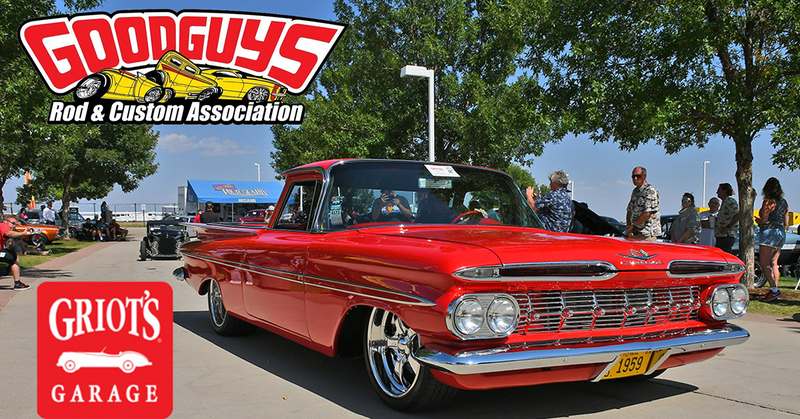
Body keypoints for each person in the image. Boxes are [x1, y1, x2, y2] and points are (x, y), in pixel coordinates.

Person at [755, 177, 789, 302]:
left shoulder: (768, 201)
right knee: (774, 262)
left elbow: (764, 219)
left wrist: (758, 221)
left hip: (769, 231)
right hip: (780, 232)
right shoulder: (784, 202)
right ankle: (774, 288)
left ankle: (774, 290)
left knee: (764, 263)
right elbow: (786, 221)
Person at [625, 166, 661, 241]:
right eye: (633, 176)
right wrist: (629, 228)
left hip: (646, 234)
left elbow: (647, 213)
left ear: (644, 176)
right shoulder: (635, 191)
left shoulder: (650, 190)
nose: (635, 178)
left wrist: (633, 225)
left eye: (638, 176)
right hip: (635, 233)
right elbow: (629, 210)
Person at [0, 216, 33, 290]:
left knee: (10, 255)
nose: (14, 225)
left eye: (16, 224)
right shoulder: (3, 226)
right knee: (13, 257)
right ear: (5, 221)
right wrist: (23, 233)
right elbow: (8, 233)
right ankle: (17, 284)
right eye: (12, 223)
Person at [714, 183, 740, 254]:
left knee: (724, 255)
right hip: (721, 235)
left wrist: (728, 227)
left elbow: (737, 215)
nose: (717, 192)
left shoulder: (730, 201)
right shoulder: (725, 202)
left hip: (727, 235)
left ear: (725, 191)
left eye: (719, 190)